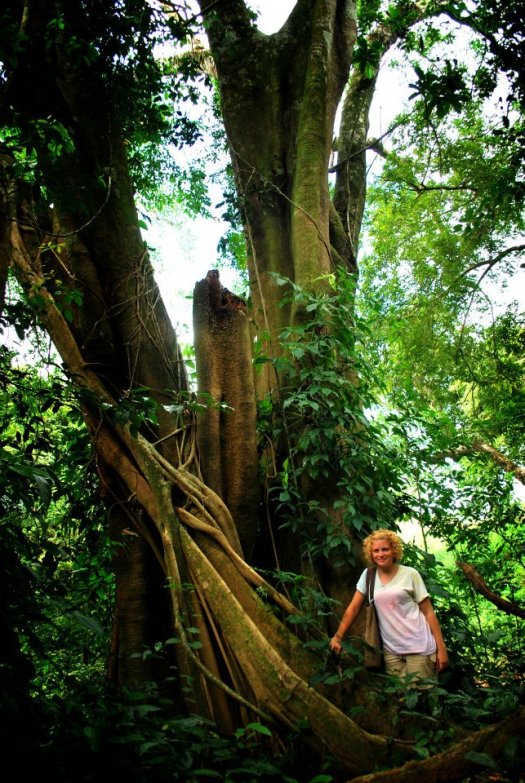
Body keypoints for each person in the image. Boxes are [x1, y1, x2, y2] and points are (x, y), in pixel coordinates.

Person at [329, 529, 449, 681]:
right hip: (391, 654)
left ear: (394, 550)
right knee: (399, 701)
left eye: (385, 549)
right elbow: (353, 608)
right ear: (370, 554)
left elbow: (428, 612)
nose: (381, 554)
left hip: (420, 649)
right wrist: (338, 637)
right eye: (376, 551)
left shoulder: (410, 574)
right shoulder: (369, 576)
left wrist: (442, 649)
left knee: (423, 700)